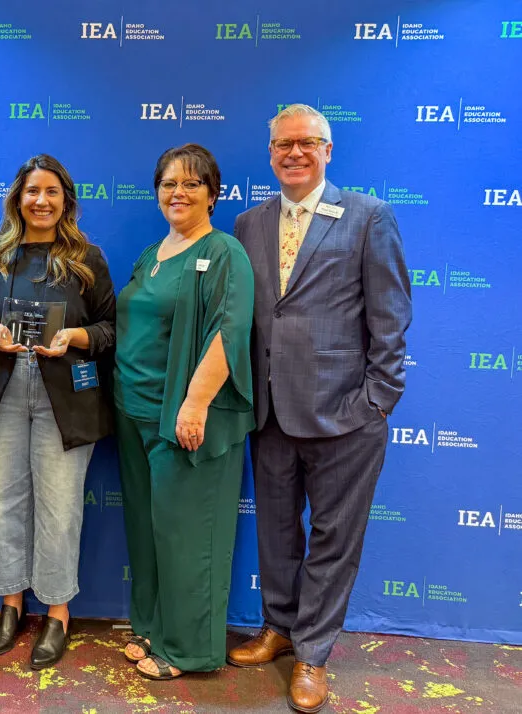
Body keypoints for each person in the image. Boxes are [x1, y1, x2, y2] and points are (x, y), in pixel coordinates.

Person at [226, 104, 412, 713]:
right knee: (276, 532)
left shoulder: (368, 216)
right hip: (270, 413)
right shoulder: (249, 223)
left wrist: (378, 400)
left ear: (328, 151)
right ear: (270, 153)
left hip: (347, 415)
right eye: (284, 144)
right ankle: (278, 629)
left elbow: (391, 316)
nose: (295, 153)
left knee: (334, 539)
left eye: (307, 143)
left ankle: (313, 652)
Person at [0, 155, 116, 670]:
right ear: (17, 199)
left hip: (65, 397)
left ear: (65, 200)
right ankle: (11, 603)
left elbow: (111, 330)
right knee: (4, 501)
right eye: (32, 192)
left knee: (60, 508)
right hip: (3, 391)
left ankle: (57, 611)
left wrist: (76, 336)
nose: (41, 201)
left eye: (51, 192)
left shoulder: (87, 259)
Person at [114, 144, 255, 680]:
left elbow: (229, 330)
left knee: (188, 536)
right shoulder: (152, 253)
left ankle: (188, 651)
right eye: (169, 183)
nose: (179, 193)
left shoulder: (224, 253)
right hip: (134, 413)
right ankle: (153, 628)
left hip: (185, 419)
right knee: (149, 532)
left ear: (213, 195)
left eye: (192, 184)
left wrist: (194, 405)